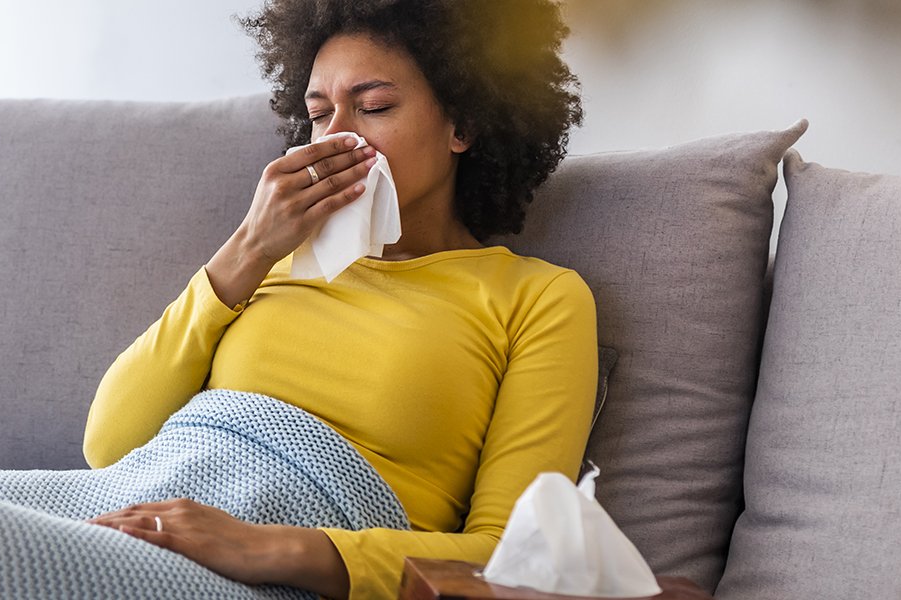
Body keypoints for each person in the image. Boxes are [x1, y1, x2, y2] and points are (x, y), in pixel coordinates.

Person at [80, 0, 594, 598]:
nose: (339, 135)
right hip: (127, 515)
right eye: (320, 114)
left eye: (374, 106)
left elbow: (513, 559)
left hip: (259, 570)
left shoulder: (536, 299)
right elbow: (108, 445)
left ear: (464, 125)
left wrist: (265, 546)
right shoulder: (270, 264)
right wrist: (249, 247)